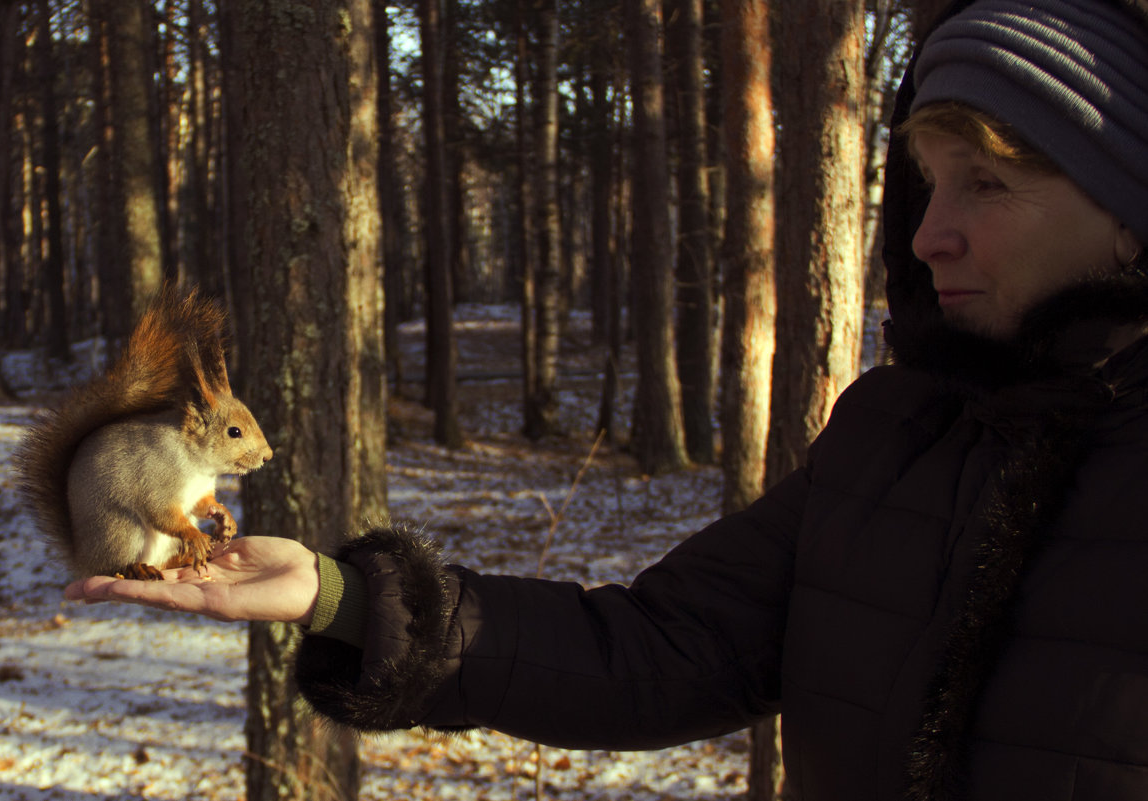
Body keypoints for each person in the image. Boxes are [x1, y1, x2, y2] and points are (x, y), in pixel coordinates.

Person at [65, 0, 1148, 798]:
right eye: (926, 181)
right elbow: (662, 651)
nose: (924, 235)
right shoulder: (896, 434)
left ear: (1125, 208)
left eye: (989, 184)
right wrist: (340, 598)